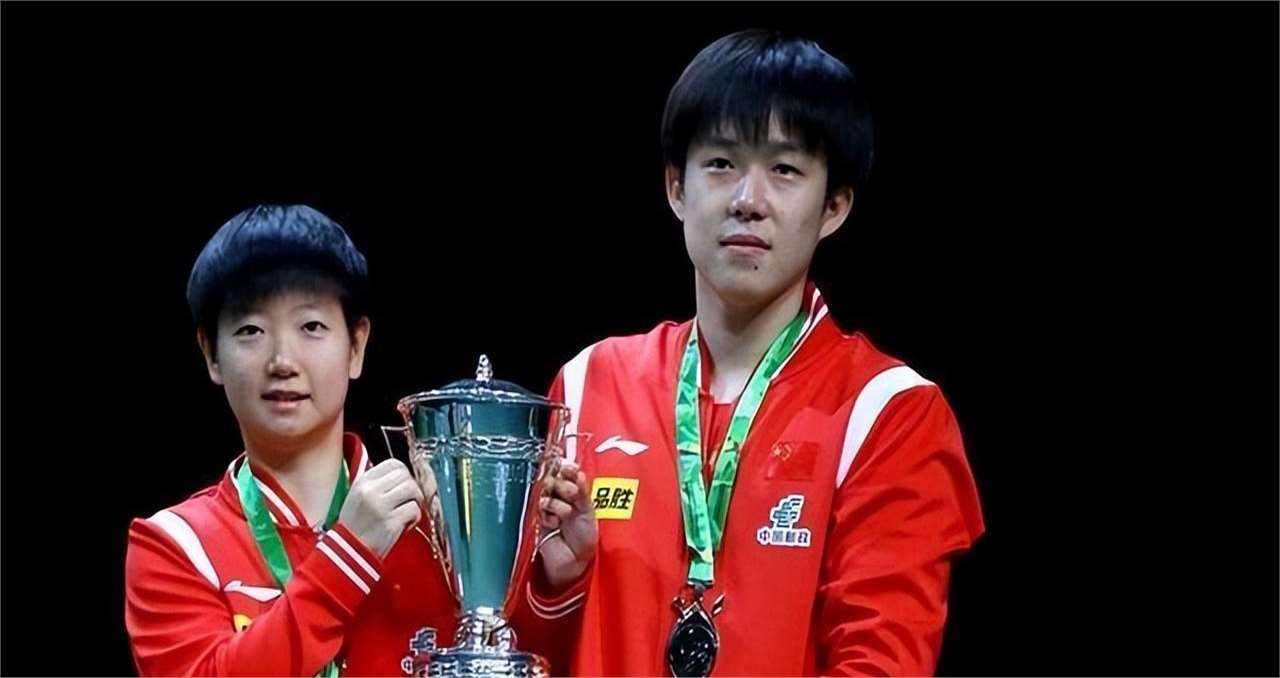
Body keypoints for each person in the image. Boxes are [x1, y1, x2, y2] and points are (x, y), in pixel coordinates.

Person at [529, 30, 986, 676]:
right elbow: (527, 650)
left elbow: (881, 662)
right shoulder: (588, 382)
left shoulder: (890, 413)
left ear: (834, 207)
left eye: (785, 170)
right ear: (676, 188)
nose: (748, 200)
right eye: (721, 163)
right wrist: (558, 583)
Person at [123, 204, 593, 676]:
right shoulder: (175, 544)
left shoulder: (440, 531)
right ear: (212, 355)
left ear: (356, 347)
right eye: (251, 331)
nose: (282, 360)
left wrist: (552, 590)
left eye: (311, 327)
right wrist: (348, 555)